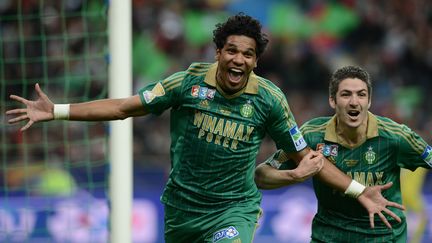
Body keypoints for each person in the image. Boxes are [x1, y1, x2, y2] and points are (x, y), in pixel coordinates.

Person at [7, 13, 403, 243]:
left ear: (255, 61)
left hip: (234, 209)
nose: (239, 59)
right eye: (232, 50)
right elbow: (125, 107)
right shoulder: (186, 84)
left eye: (248, 54)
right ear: (218, 53)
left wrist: (358, 190)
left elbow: (308, 155)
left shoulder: (269, 100)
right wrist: (57, 110)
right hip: (181, 212)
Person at [255, 65, 432, 242]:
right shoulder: (311, 135)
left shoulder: (396, 137)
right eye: (346, 94)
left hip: (384, 237)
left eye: (361, 95)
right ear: (332, 100)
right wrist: (295, 174)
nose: (354, 102)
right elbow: (261, 175)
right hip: (329, 238)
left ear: (369, 101)